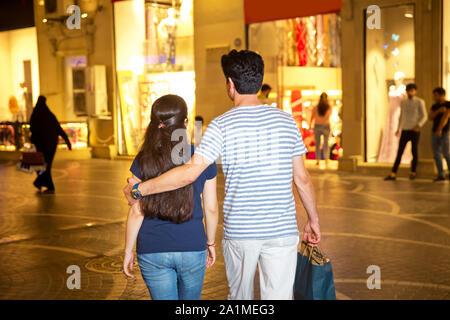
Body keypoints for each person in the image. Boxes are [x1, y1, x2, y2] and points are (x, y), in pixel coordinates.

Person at [124, 50, 321, 300]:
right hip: (282, 230)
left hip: (241, 231)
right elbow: (302, 179)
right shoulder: (286, 121)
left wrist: (140, 189)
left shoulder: (221, 125)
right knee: (279, 296)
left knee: (240, 298)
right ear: (259, 81)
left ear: (230, 84)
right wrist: (312, 219)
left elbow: (188, 173)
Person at [122, 94, 219, 300]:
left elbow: (136, 209)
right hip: (192, 245)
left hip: (152, 248)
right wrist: (210, 243)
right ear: (185, 122)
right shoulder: (201, 158)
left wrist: (128, 250)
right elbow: (211, 207)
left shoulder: (143, 159)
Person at [385, 84, 427, 181]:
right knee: (400, 151)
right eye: (409, 91)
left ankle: (413, 171)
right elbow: (401, 116)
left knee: (414, 151)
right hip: (405, 129)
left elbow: (424, 116)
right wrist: (398, 128)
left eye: (412, 90)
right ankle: (393, 173)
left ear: (415, 91)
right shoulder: (403, 102)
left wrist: (419, 125)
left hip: (415, 130)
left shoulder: (419, 102)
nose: (410, 93)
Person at [29, 95, 72, 193]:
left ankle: (44, 184)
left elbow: (32, 128)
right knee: (46, 165)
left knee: (42, 166)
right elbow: (59, 129)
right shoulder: (50, 115)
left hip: (40, 145)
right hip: (51, 146)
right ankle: (41, 183)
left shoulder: (36, 114)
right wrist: (67, 142)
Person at [429, 87, 450, 181]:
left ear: (442, 95)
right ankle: (441, 174)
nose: (434, 97)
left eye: (436, 95)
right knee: (436, 153)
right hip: (434, 131)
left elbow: (446, 117)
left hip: (445, 131)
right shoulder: (435, 106)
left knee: (446, 153)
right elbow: (430, 117)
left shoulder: (448, 104)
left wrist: (440, 129)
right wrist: (438, 111)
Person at [312, 92, 332, 166]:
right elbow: (329, 115)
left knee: (317, 144)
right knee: (326, 143)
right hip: (326, 125)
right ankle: (326, 159)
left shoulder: (316, 106)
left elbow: (313, 115)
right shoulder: (329, 106)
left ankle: (318, 160)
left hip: (317, 125)